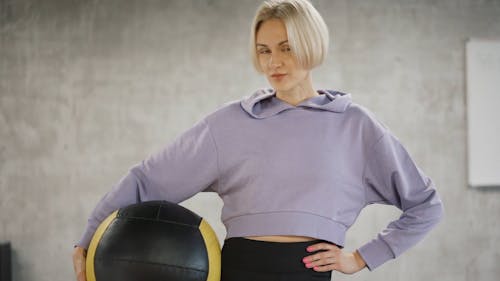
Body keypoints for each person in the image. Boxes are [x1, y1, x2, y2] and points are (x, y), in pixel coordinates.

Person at [72, 0, 444, 280]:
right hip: (238, 270)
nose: (274, 63)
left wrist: (362, 258)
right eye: (264, 51)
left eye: (286, 47)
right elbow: (147, 179)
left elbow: (425, 205)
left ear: (311, 45)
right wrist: (89, 238)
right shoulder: (232, 123)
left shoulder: (357, 127)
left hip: (308, 273)